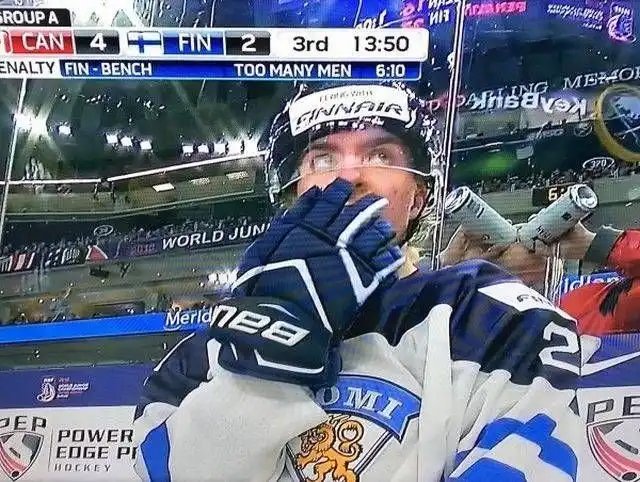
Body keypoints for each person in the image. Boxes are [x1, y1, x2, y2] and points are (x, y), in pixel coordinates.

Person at [132, 83, 581, 481]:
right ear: (291, 196)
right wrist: (273, 343)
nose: (349, 176)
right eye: (323, 158)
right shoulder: (203, 353)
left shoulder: (494, 316)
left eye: (381, 155)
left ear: (418, 197)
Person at [440, 221, 640, 335]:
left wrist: (596, 244)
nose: (529, 234)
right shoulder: (462, 317)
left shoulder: (587, 307)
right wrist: (452, 274)